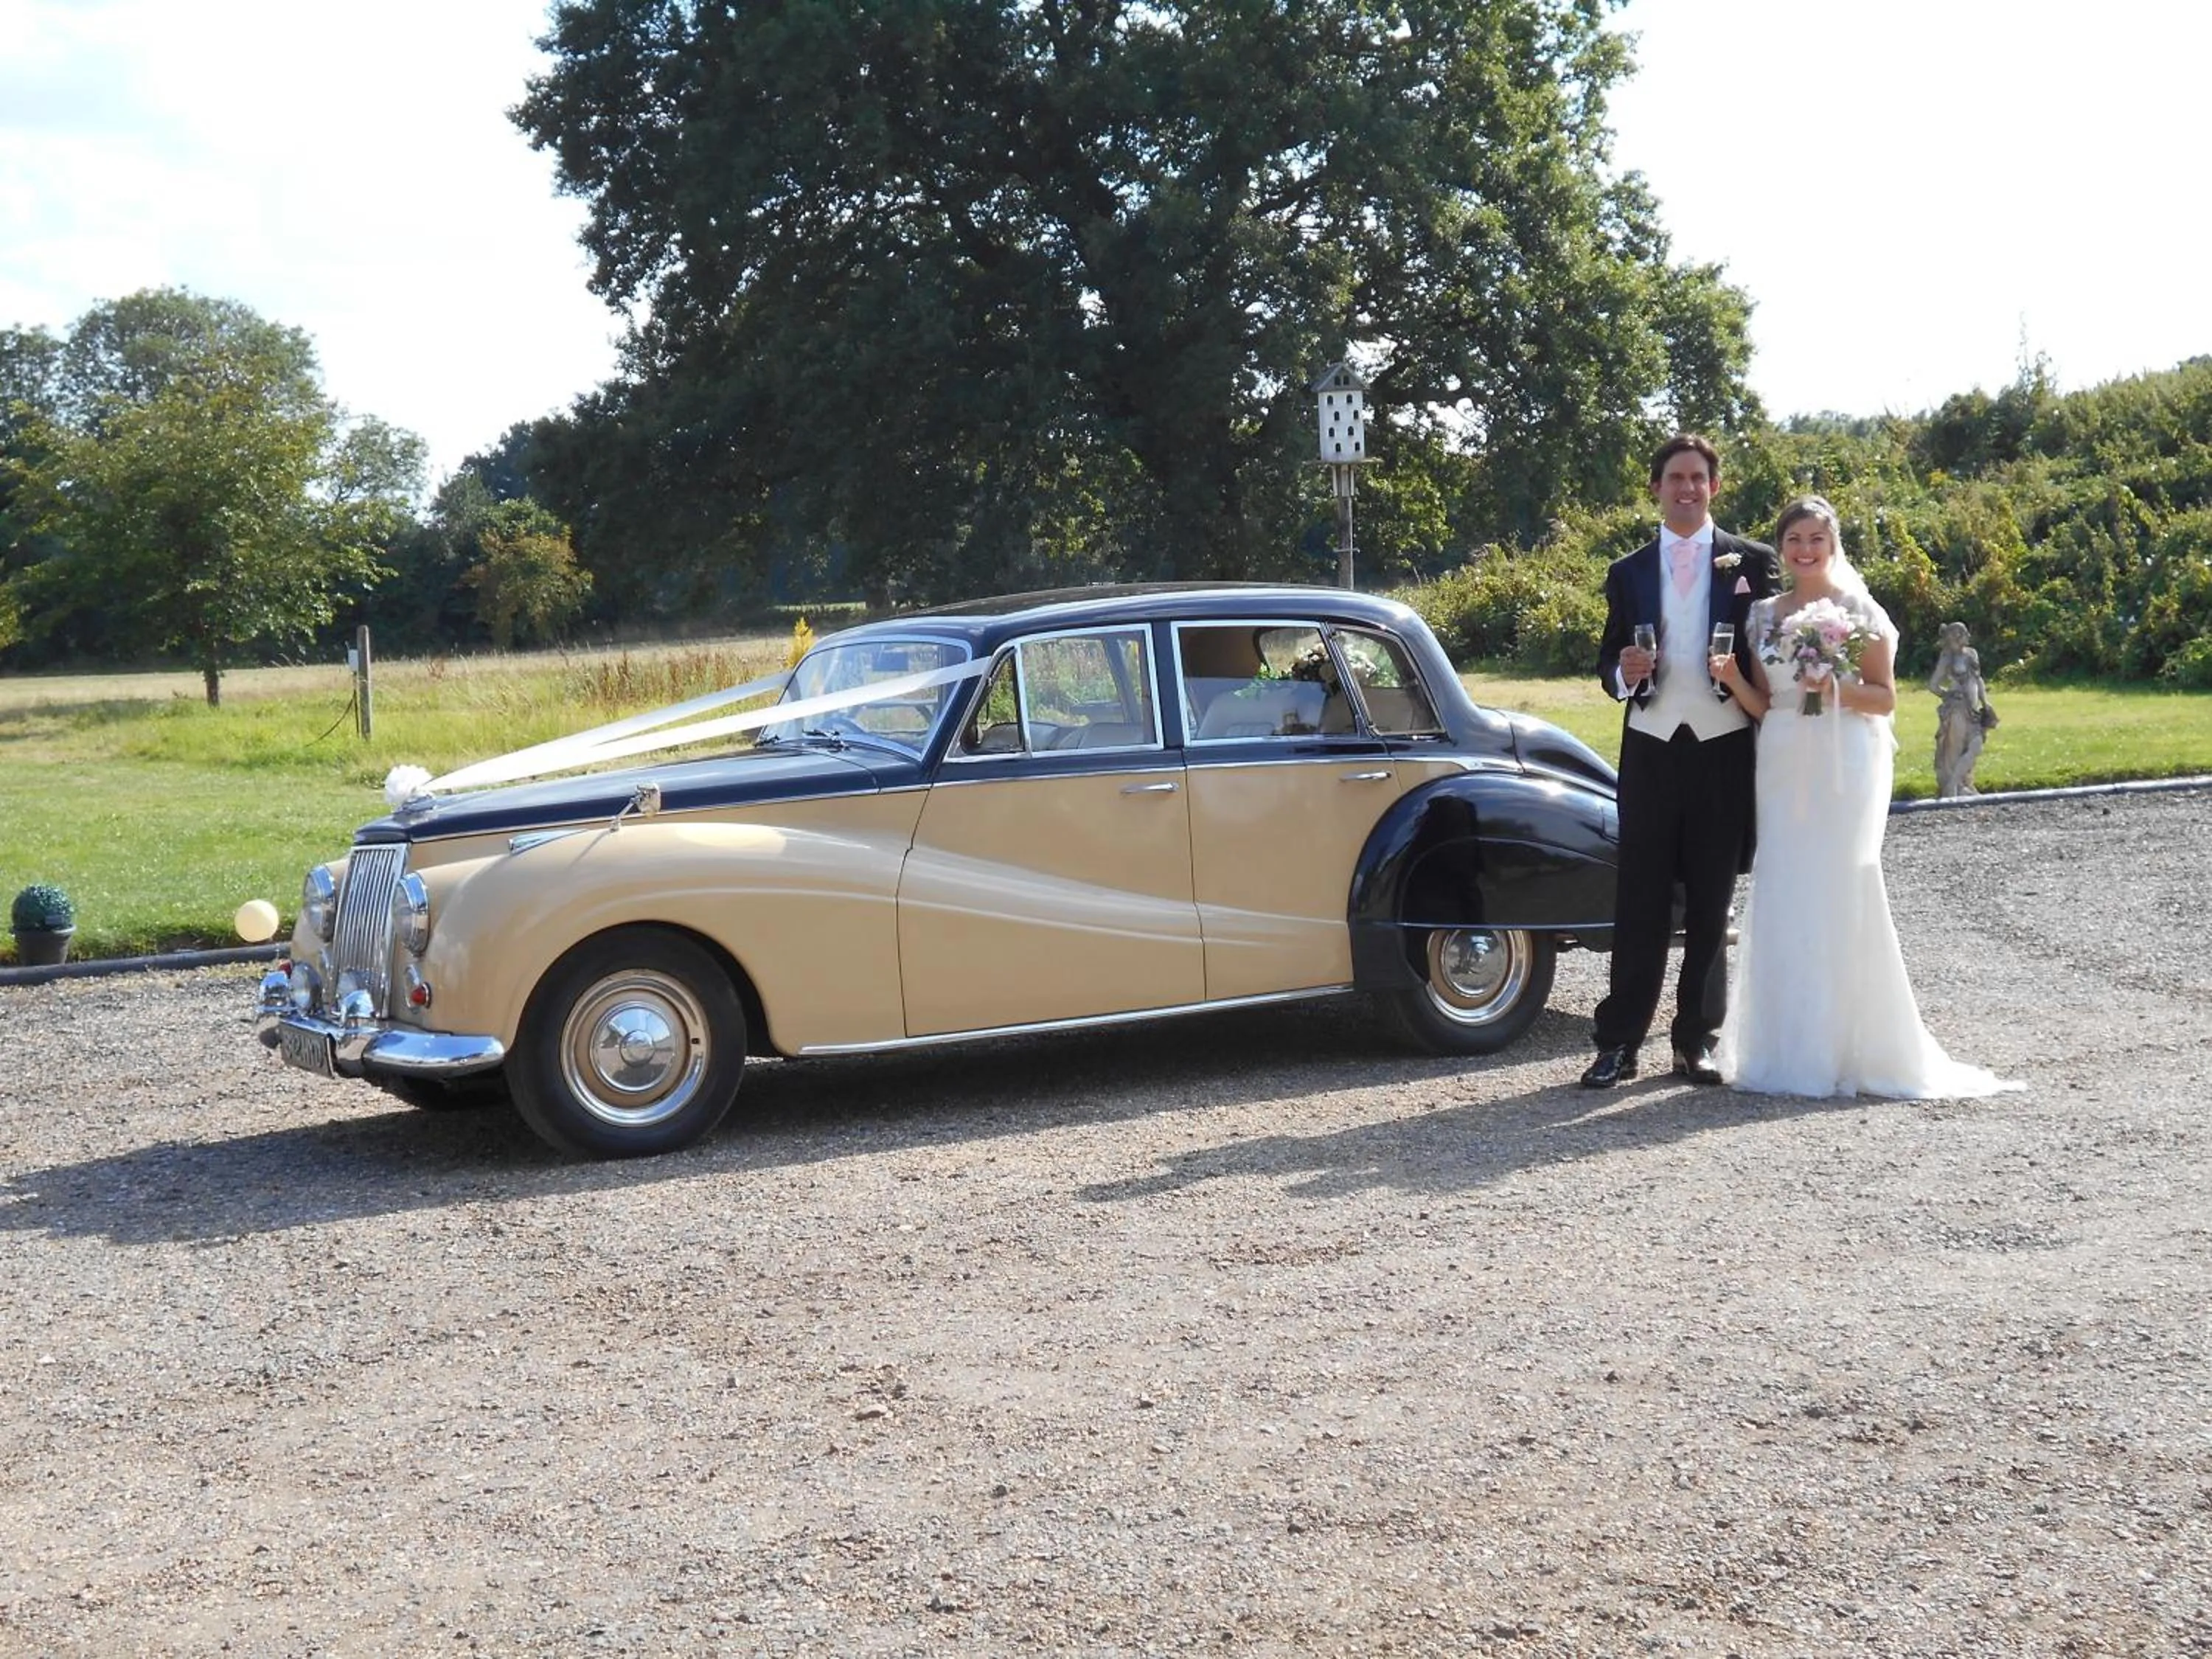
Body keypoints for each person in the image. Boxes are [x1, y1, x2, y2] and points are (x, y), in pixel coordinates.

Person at [1707, 495, 2018, 1099]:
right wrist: (1732, 679)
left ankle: (1852, 1046)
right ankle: (1785, 1048)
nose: (1805, 550)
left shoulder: (1859, 609)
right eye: (1795, 539)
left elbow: (1884, 697)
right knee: (1785, 883)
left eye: (1816, 539)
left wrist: (1833, 684)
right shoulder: (1763, 615)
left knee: (1840, 882)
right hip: (1783, 755)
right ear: (1782, 545)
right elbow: (1767, 705)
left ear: (1833, 544)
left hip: (1844, 759)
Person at [1582, 434, 1778, 1088]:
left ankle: (1696, 1040)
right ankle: (1619, 1043)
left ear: (1714, 487)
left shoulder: (1754, 562)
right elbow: (1607, 661)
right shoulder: (1629, 571)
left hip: (1724, 745)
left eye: (1698, 478)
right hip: (1652, 745)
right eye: (1676, 478)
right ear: (1657, 487)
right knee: (1639, 900)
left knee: (1711, 902)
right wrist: (1625, 671)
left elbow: (1775, 649)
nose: (1687, 488)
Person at [1927, 620, 1993, 797]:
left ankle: (1959, 783)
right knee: (1955, 749)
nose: (1969, 636)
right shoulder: (1947, 658)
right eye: (1965, 633)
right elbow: (1933, 685)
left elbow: (1978, 680)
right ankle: (1954, 786)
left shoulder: (1972, 654)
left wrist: (1985, 702)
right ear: (1956, 637)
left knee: (1975, 746)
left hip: (1973, 709)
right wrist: (1948, 695)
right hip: (1957, 709)